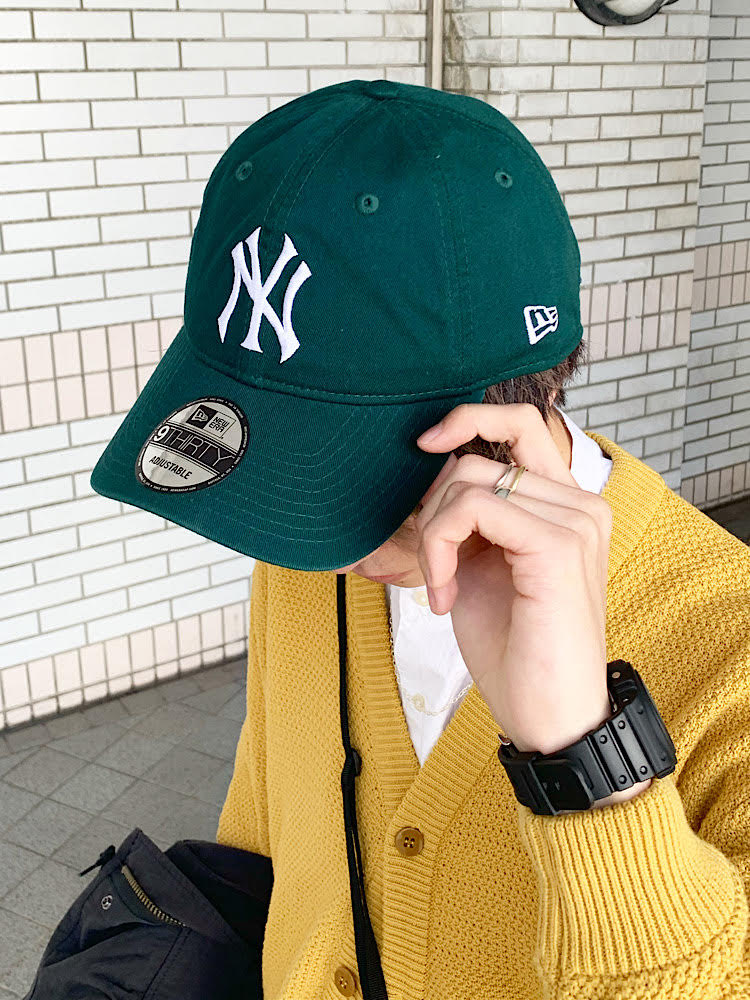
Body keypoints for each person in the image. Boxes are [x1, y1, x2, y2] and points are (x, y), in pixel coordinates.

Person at [91, 79, 750, 998]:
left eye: (336, 460)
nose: (305, 531)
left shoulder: (730, 647)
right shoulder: (307, 554)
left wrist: (588, 757)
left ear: (510, 409)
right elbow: (266, 817)